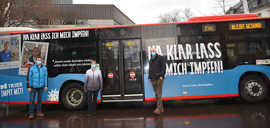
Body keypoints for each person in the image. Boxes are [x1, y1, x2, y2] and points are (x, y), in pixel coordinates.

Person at [148, 48, 166, 115]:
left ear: (156, 51)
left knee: (158, 94)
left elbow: (164, 67)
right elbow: (150, 69)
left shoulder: (160, 58)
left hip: (159, 78)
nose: (152, 52)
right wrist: (149, 77)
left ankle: (158, 109)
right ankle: (161, 108)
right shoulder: (151, 60)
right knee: (156, 94)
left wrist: (162, 76)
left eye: (153, 51)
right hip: (153, 79)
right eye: (151, 51)